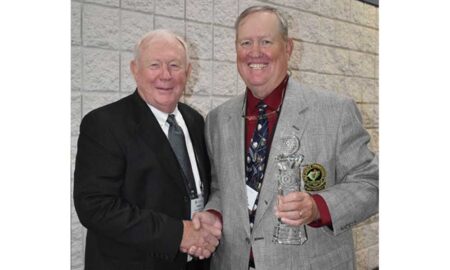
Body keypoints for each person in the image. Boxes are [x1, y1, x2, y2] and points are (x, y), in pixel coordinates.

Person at [192, 5, 379, 270]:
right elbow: (222, 189)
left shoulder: (335, 111)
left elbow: (372, 183)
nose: (255, 52)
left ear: (288, 48)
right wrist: (213, 214)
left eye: (266, 41)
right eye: (246, 42)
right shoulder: (217, 119)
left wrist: (318, 206)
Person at [73, 29, 221, 270]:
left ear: (189, 72)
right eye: (154, 65)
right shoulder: (104, 124)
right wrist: (178, 234)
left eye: (174, 65)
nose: (165, 75)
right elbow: (95, 207)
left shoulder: (195, 120)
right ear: (135, 69)